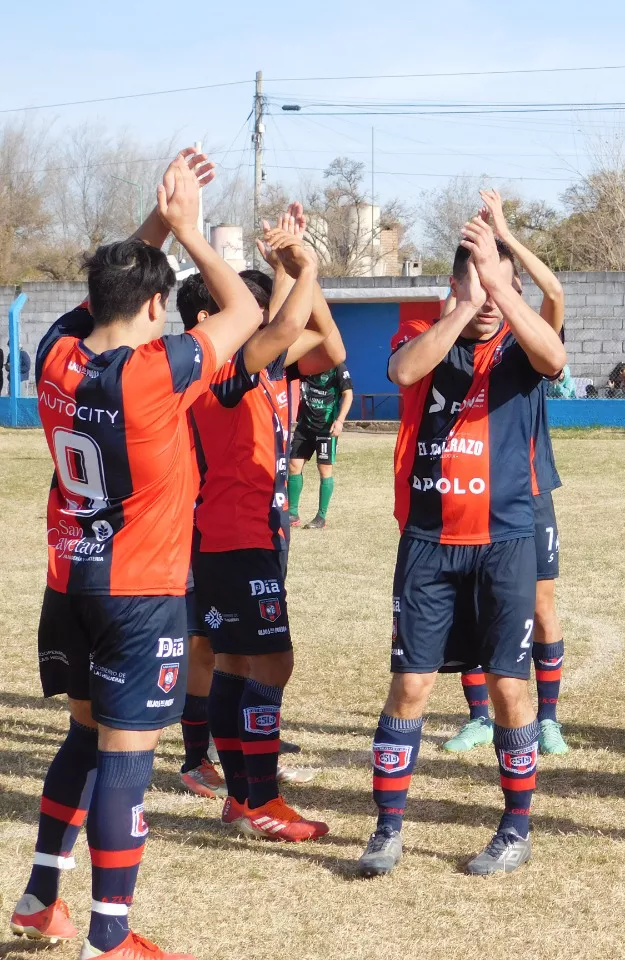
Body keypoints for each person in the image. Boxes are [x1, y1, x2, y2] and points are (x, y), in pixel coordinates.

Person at [11, 150, 264, 959]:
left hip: (68, 580)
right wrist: (189, 229)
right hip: (139, 592)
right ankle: (108, 938)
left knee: (84, 741)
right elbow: (244, 312)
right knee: (126, 758)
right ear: (157, 304)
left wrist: (155, 230)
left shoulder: (56, 354)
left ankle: (39, 896)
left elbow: (109, 295)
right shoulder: (159, 372)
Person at [356, 215, 566, 879]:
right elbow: (401, 369)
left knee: (509, 688)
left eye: (494, 282)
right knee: (411, 684)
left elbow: (555, 358)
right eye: (470, 284)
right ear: (453, 286)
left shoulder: (521, 346)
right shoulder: (426, 336)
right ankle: (388, 830)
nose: (482, 301)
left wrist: (502, 294)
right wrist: (469, 304)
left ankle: (515, 828)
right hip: (428, 543)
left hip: (505, 542)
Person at [185, 211, 339, 843]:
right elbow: (280, 327)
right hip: (233, 536)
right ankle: (262, 799)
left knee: (238, 662)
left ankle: (243, 798)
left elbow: (324, 345)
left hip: (244, 535)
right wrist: (305, 267)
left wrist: (289, 269)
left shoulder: (250, 369)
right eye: (236, 311)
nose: (249, 321)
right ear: (206, 322)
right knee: (271, 662)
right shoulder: (216, 370)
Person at [439, 187, 573, 759]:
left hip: (529, 494)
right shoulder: (455, 340)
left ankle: (546, 720)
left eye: (505, 284)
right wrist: (472, 279)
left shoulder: (527, 345)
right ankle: (477, 716)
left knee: (541, 606)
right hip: (467, 496)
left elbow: (555, 292)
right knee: (473, 606)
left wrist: (507, 237)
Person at [286, 361, 352, 531]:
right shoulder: (303, 364)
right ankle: (292, 513)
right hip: (304, 427)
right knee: (293, 465)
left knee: (324, 470)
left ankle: (321, 517)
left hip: (326, 428)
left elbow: (348, 394)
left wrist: (340, 421)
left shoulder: (337, 367)